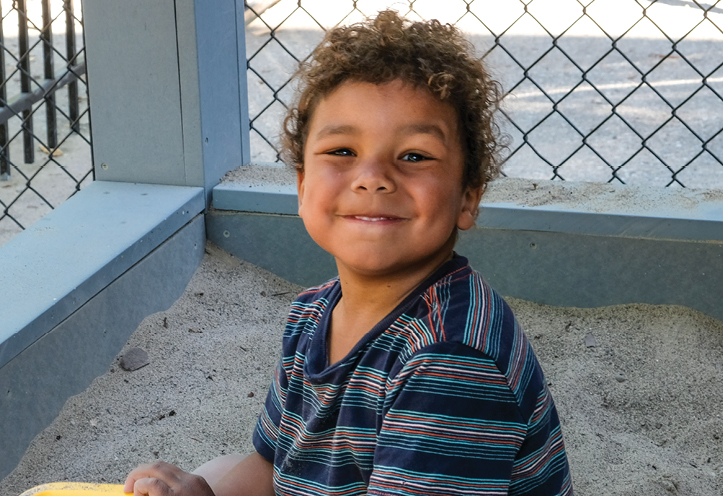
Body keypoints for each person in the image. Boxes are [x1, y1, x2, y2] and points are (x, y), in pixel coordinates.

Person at [124, 10, 573, 496]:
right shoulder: (313, 312)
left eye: (415, 156)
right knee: (213, 473)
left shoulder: (448, 357)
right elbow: (272, 464)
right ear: (301, 187)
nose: (373, 176)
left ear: (468, 196)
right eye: (342, 151)